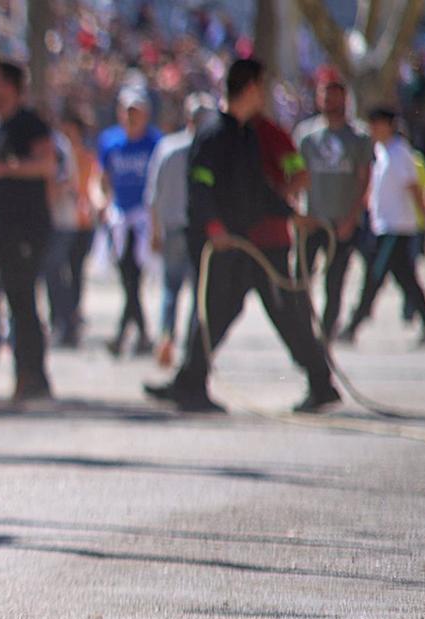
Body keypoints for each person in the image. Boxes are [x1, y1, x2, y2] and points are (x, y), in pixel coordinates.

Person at [144, 58, 340, 414]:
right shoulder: (214, 134)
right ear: (249, 88)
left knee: (283, 313)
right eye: (261, 87)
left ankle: (320, 383)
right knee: (215, 312)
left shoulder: (248, 134)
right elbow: (200, 187)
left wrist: (294, 216)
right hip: (223, 243)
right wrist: (214, 227)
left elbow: (259, 190)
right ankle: (190, 385)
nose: (263, 94)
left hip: (255, 245)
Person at [0, 59, 57, 399]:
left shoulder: (29, 123)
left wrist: (4, 168)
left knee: (22, 302)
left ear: (9, 86)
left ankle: (33, 377)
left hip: (26, 230)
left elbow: (46, 164)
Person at [337, 107, 425, 346]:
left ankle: (354, 324)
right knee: (406, 278)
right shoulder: (381, 152)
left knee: (374, 277)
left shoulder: (400, 153)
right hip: (382, 226)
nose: (372, 129)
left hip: (397, 228)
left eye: (377, 124)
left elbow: (414, 191)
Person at [293, 71, 373, 342]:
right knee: (300, 279)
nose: (329, 101)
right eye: (325, 95)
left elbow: (364, 180)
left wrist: (352, 217)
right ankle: (302, 334)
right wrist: (297, 213)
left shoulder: (358, 137)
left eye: (335, 96)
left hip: (342, 221)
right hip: (312, 220)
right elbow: (295, 176)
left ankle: (325, 336)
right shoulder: (306, 136)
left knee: (334, 282)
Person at [145, 92, 216, 368]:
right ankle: (190, 346)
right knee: (198, 291)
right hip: (197, 229)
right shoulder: (209, 149)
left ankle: (166, 337)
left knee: (171, 289)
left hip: (173, 227)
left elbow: (153, 195)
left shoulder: (168, 147)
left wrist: (155, 229)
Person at [99, 87, 161, 357]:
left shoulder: (155, 143)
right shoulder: (110, 141)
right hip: (120, 217)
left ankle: (127, 333)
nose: (131, 117)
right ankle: (139, 333)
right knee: (127, 276)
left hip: (144, 217)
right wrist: (101, 201)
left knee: (133, 276)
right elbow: (103, 177)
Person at [45, 108, 99, 349]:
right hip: (62, 220)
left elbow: (70, 181)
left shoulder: (65, 149)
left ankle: (68, 320)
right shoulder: (58, 145)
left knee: (60, 271)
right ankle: (64, 320)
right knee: (55, 273)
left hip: (69, 220)